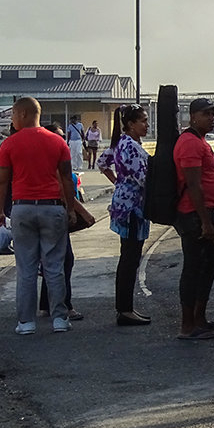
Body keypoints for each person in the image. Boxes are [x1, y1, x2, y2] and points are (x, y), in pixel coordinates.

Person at [0, 97, 77, 335]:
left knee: (26, 268)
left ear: (22, 114)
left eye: (13, 115)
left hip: (22, 208)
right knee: (54, 266)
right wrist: (70, 209)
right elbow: (67, 180)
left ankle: (26, 322)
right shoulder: (58, 142)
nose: (11, 120)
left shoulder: (9, 145)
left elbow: (1, 181)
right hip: (52, 208)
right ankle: (60, 318)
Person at [95, 104, 152, 326]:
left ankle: (126, 307)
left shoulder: (123, 143)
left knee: (130, 256)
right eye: (143, 121)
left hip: (126, 203)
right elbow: (144, 179)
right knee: (130, 258)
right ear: (130, 124)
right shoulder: (130, 146)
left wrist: (118, 182)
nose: (146, 125)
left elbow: (102, 163)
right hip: (132, 208)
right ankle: (125, 308)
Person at [173, 97, 214, 340]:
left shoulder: (199, 141)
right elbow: (193, 184)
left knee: (210, 262)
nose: (211, 118)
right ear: (193, 116)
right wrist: (205, 221)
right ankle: (188, 325)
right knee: (194, 266)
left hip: (202, 212)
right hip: (193, 213)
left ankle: (199, 318)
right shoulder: (190, 143)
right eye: (206, 114)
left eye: (212, 114)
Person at [37, 123, 82, 324]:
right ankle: (65, 305)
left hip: (36, 210)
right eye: (58, 136)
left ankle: (45, 305)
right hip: (55, 211)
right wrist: (73, 210)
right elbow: (65, 187)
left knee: (46, 260)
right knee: (63, 259)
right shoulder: (55, 159)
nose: (61, 139)